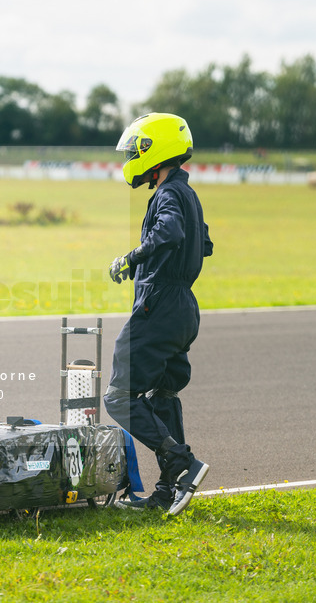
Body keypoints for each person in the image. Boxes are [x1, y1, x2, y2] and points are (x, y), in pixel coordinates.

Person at [104, 113, 213, 516]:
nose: (131, 156)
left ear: (155, 150)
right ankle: (169, 492)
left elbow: (169, 233)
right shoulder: (188, 194)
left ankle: (182, 463)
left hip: (160, 304)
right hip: (184, 307)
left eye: (135, 149)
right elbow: (202, 243)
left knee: (118, 396)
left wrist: (132, 257)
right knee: (161, 394)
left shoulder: (167, 196)